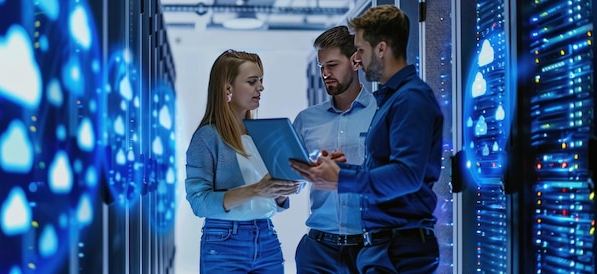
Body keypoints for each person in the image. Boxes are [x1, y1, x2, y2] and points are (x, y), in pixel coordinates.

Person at [290, 5, 443, 274]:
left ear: (381, 49)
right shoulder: (392, 100)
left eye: (360, 50)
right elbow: (381, 170)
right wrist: (335, 171)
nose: (358, 58)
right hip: (383, 248)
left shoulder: (410, 99)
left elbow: (407, 175)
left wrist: (340, 178)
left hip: (399, 250)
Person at [185, 49, 300, 274]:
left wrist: (280, 192)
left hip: (266, 236)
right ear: (228, 88)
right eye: (252, 81)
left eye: (261, 80)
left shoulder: (262, 133)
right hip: (225, 240)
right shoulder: (207, 137)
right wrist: (256, 190)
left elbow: (268, 196)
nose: (261, 87)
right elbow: (199, 203)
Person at [292, 26, 376, 274]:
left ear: (355, 61)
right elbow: (291, 183)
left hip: (368, 249)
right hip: (317, 251)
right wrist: (312, 171)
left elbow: (395, 177)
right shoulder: (306, 120)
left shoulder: (382, 114)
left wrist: (347, 173)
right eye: (321, 67)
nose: (325, 73)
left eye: (332, 65)